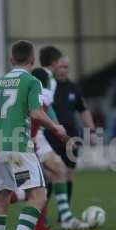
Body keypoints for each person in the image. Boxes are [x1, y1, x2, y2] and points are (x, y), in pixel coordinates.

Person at [0, 40, 68, 230]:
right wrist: (56, 127)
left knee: (2, 198)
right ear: (33, 60)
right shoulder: (32, 81)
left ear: (11, 60)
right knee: (39, 195)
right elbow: (36, 113)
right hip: (19, 148)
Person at [0, 67, 90, 230]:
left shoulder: (6, 83)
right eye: (62, 66)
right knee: (36, 186)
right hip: (26, 144)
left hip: (9, 143)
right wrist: (37, 136)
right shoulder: (39, 84)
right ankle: (53, 223)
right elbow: (37, 115)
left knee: (31, 184)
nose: (65, 70)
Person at [45, 56, 97, 205]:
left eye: (66, 67)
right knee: (49, 175)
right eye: (61, 67)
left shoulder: (73, 88)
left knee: (68, 174)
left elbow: (84, 110)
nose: (63, 70)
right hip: (51, 135)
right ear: (55, 68)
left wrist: (92, 131)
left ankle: (64, 215)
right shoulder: (49, 87)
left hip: (71, 137)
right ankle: (41, 216)